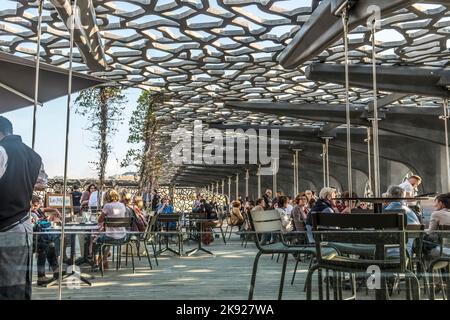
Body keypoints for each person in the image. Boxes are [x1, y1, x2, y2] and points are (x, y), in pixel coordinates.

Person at [0, 116, 47, 299]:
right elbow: (42, 182)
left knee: (7, 287)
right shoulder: (34, 156)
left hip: (5, 226)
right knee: (19, 283)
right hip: (23, 225)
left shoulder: (2, 150)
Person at [92, 189, 127, 270]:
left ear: (107, 197)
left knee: (96, 240)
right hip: (122, 236)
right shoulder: (122, 205)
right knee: (105, 240)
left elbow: (99, 220)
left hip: (111, 237)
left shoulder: (107, 206)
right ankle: (104, 259)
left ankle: (96, 262)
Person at [30, 196, 60, 286]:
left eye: (38, 204)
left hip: (40, 237)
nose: (37, 206)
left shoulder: (38, 210)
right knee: (46, 247)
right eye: (35, 205)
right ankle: (44, 275)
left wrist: (51, 215)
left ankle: (54, 271)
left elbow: (43, 216)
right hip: (32, 239)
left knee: (50, 244)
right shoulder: (29, 213)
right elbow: (33, 225)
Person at [424, 193, 450, 258]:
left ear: (440, 203)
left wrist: (422, 230)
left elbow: (430, 232)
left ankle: (428, 267)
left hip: (444, 249)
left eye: (436, 202)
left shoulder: (436, 214)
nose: (434, 205)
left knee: (423, 246)